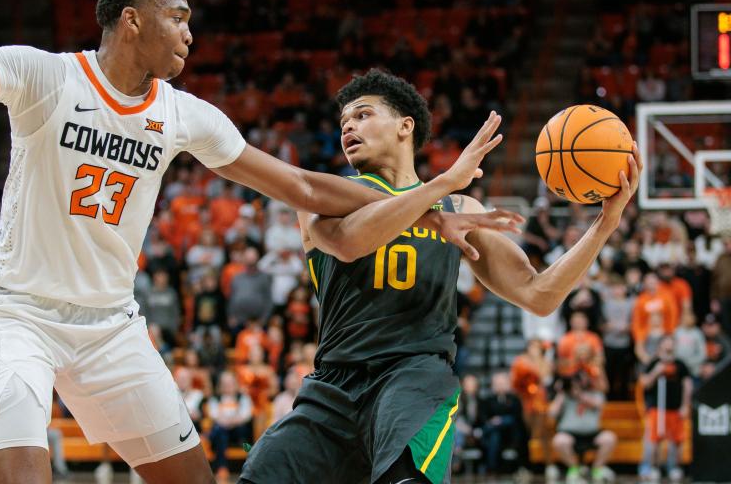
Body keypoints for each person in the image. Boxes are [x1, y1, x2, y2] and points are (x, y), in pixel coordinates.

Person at [0, 0, 516, 484]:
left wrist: (432, 205)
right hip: (16, 313)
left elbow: (301, 187)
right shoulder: (45, 75)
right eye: (178, 17)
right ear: (131, 19)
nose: (191, 31)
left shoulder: (185, 115)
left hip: (108, 325)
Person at [239, 69, 643, 484]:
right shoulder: (329, 197)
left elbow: (538, 294)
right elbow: (349, 243)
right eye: (344, 122)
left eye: (362, 115)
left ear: (405, 126)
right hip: (333, 385)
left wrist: (605, 223)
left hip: (413, 377)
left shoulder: (459, 208)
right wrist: (443, 184)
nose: (348, 128)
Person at [638, 335, 692, 483]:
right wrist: (656, 372)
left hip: (675, 409)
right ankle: (653, 467)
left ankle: (673, 467)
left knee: (676, 441)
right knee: (654, 440)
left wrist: (685, 405)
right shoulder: (653, 363)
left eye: (671, 345)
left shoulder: (680, 364)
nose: (668, 348)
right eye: (665, 345)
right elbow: (644, 384)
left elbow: (687, 386)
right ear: (660, 346)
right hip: (657, 408)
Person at [550, 371, 616, 484]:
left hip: (592, 433)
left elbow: (598, 404)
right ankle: (574, 469)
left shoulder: (595, 393)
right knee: (559, 440)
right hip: (569, 433)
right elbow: (552, 413)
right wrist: (561, 393)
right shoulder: (564, 395)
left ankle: (597, 469)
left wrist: (579, 395)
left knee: (609, 438)